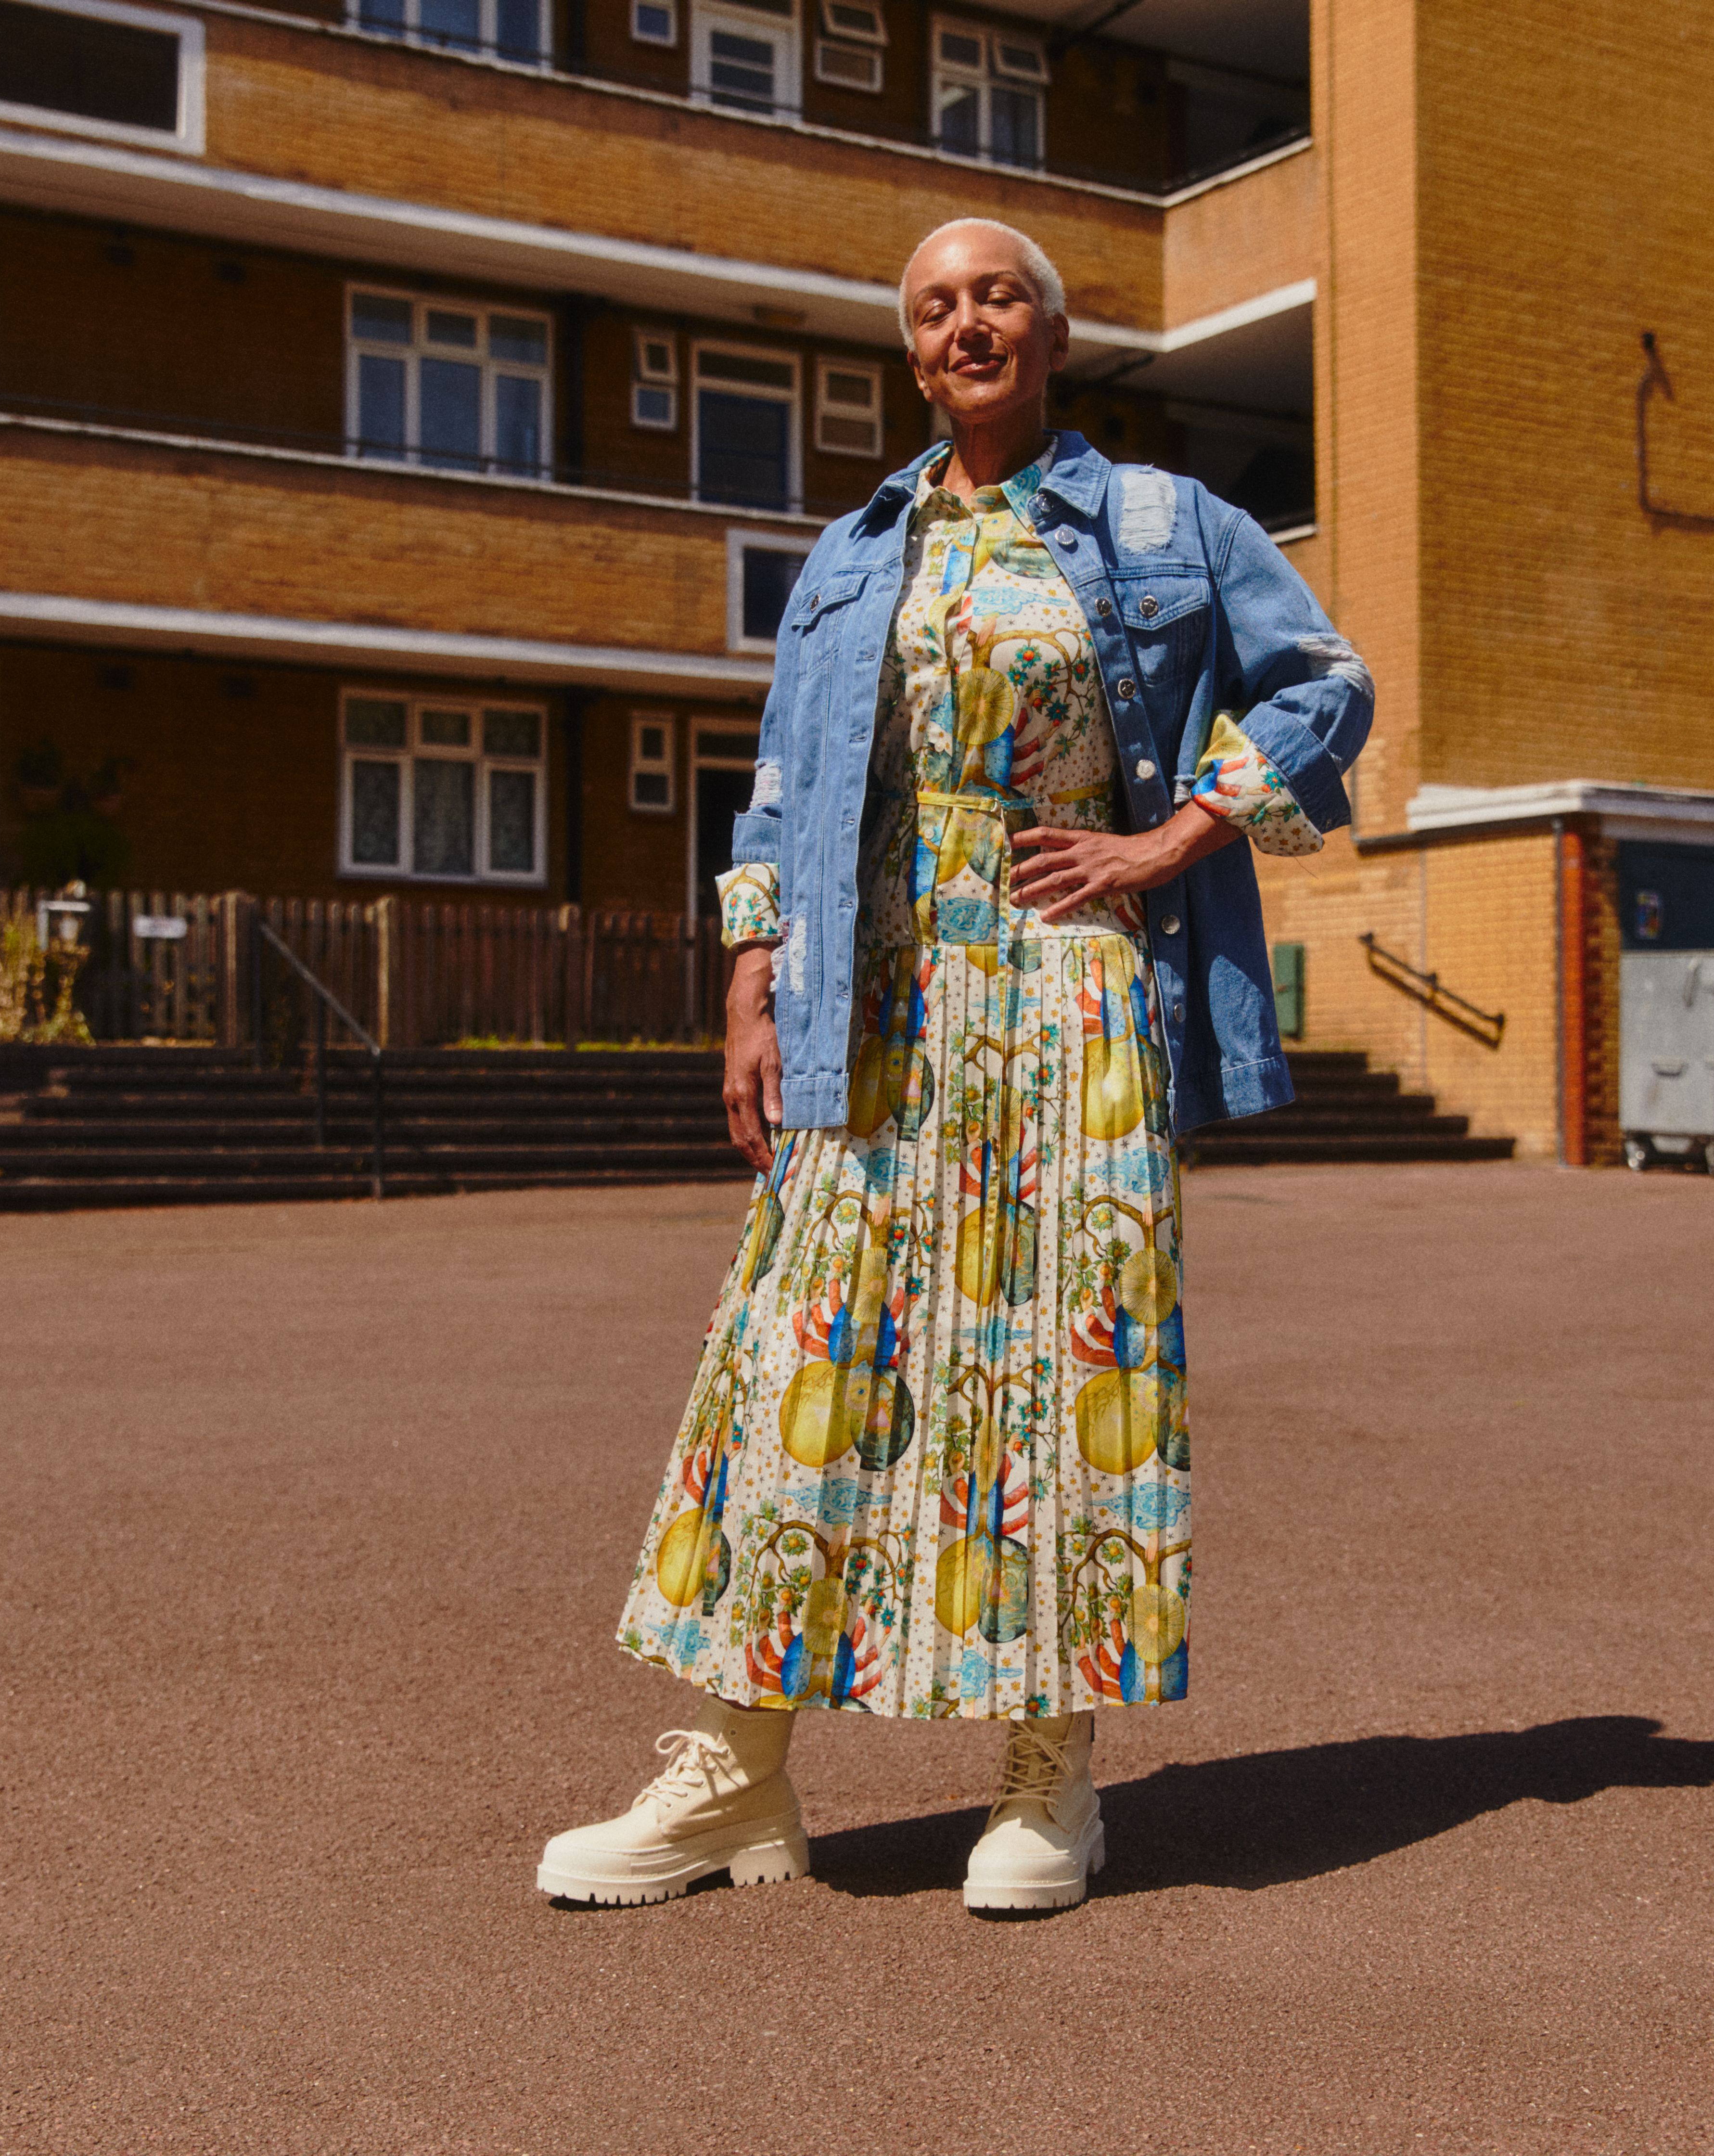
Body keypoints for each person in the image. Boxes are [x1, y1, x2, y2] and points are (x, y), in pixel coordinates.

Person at [537, 216, 1370, 1916]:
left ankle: (1049, 1778)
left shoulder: (1163, 523)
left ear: (1052, 334)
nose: (966, 323)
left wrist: (1166, 844)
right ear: (912, 352)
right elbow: (776, 782)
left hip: (1069, 1000)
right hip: (875, 993)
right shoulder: (855, 551)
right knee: (802, 1360)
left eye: (997, 296)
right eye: (934, 306)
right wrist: (751, 985)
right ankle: (731, 1780)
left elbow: (1326, 688)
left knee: (1063, 1374)